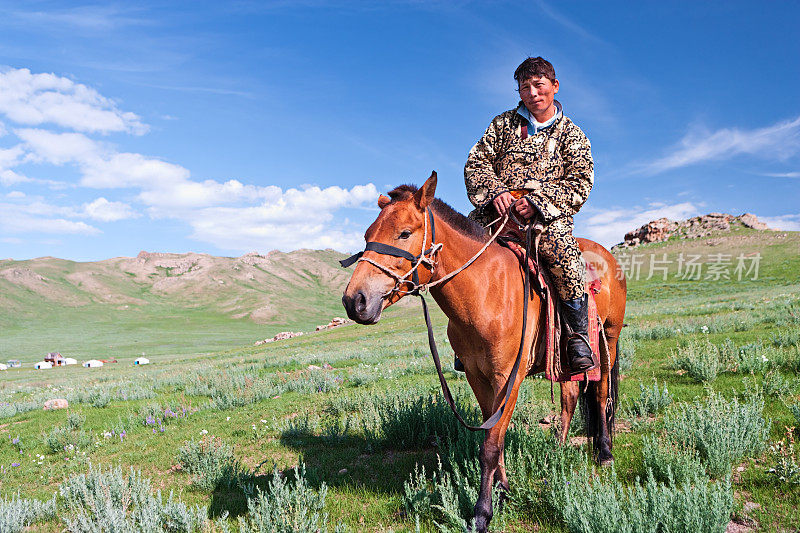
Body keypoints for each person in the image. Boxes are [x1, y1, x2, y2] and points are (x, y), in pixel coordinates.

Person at [461, 56, 595, 374]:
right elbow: (476, 163)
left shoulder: (572, 135)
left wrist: (538, 202)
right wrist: (495, 192)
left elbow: (581, 179)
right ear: (519, 92)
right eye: (525, 87)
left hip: (546, 218)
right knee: (460, 248)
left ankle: (577, 338)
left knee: (564, 257)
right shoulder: (501, 125)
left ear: (554, 86)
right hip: (496, 213)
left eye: (539, 85)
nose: (533, 92)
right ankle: (467, 337)